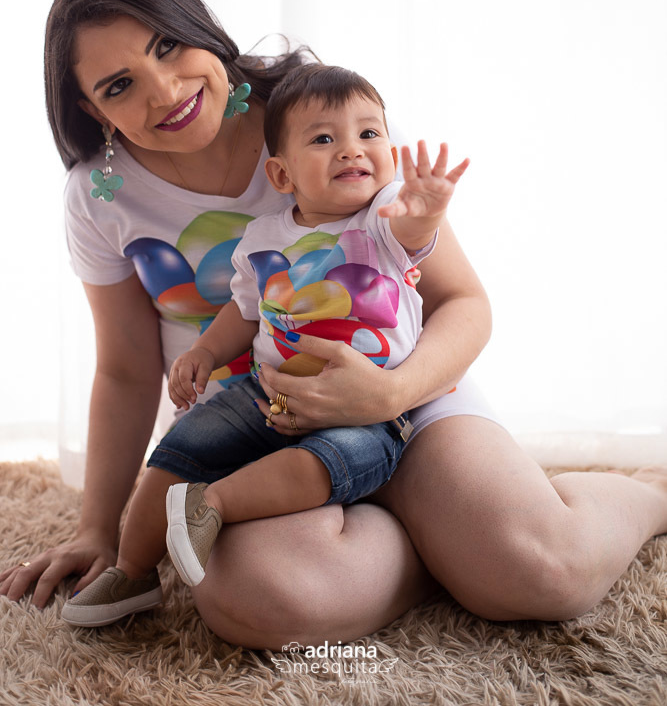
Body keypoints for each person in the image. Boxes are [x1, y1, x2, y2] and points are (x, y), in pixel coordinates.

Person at [1, 0, 665, 651]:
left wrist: (387, 394)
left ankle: (646, 495)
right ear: (89, 108)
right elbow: (127, 370)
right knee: (250, 603)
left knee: (542, 575)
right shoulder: (98, 197)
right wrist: (97, 532)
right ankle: (436, 548)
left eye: (167, 46)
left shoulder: (315, 116)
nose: (164, 91)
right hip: (258, 430)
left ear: (197, 25)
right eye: (119, 84)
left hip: (407, 400)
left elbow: (461, 300)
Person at [60, 63, 469, 626]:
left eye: (369, 134)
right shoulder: (264, 237)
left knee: (329, 464)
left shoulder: (381, 221)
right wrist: (205, 352)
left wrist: (428, 212)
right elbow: (244, 311)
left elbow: (413, 236)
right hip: (265, 392)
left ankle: (215, 505)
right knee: (184, 445)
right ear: (281, 175)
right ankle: (131, 573)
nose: (352, 150)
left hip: (368, 410)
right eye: (325, 140)